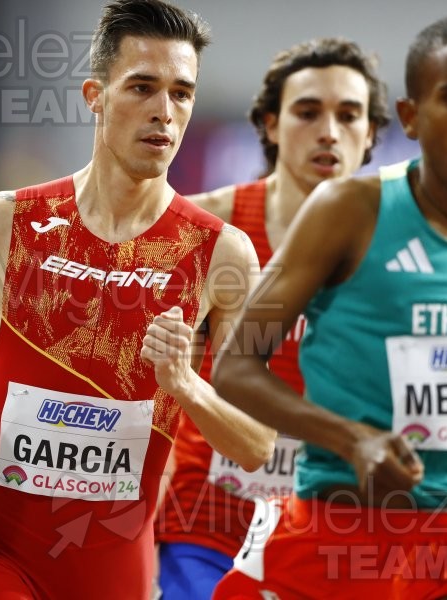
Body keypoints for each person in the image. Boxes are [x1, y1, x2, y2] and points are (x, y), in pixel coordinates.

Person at [0, 1, 276, 598]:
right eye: (142, 88)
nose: (163, 113)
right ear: (94, 94)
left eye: (181, 93)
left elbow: (256, 445)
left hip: (117, 571)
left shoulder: (222, 255)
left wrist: (185, 383)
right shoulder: (1, 220)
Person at [212, 13, 447, 599]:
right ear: (411, 117)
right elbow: (234, 368)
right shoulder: (348, 210)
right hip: (340, 538)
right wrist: (351, 438)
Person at [154, 37, 390, 600]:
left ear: (372, 134)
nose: (328, 131)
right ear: (271, 125)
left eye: (348, 115)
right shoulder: (209, 226)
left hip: (330, 529)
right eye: (308, 112)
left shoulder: (399, 246)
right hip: (206, 522)